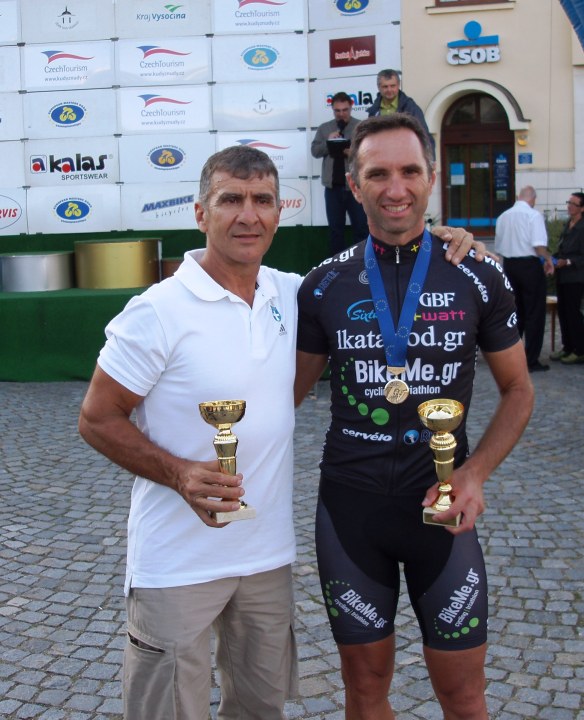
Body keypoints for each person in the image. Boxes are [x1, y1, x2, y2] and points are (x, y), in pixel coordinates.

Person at [78, 143, 485, 720]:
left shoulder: (293, 293)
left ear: (278, 213)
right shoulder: (157, 310)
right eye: (231, 200)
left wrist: (443, 237)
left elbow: (379, 262)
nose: (248, 215)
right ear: (201, 213)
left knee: (260, 709)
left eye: (263, 200)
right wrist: (180, 473)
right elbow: (96, 417)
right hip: (177, 563)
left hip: (264, 559)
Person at [294, 114, 534, 720]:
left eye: (409, 171)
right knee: (364, 692)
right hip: (351, 511)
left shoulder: (479, 273)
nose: (395, 188)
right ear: (355, 185)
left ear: (431, 177)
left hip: (443, 513)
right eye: (378, 174)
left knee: (464, 696)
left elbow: (518, 390)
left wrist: (474, 474)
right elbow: (282, 397)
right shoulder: (322, 285)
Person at [494, 185, 555, 372]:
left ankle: (512, 357)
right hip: (529, 266)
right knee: (534, 313)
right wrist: (548, 259)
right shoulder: (533, 215)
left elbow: (499, 246)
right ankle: (531, 359)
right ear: (533, 199)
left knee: (514, 313)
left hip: (510, 266)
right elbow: (538, 245)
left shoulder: (503, 216)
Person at [311, 91, 369, 255]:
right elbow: (315, 151)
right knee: (335, 231)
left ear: (351, 107)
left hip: (355, 187)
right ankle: (337, 266)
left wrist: (353, 153)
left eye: (345, 110)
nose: (341, 114)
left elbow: (370, 153)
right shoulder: (325, 128)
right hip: (332, 188)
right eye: (337, 110)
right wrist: (329, 142)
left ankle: (363, 263)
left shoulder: (360, 127)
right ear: (332, 109)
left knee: (361, 228)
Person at [367, 69, 435, 156]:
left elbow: (424, 137)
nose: (389, 90)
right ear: (378, 87)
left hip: (405, 157)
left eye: (392, 86)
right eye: (385, 86)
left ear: (398, 85)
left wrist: (430, 160)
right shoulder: (373, 111)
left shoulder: (410, 108)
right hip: (382, 157)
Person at [550, 191, 584, 364]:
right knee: (562, 311)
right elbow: (561, 248)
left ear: (582, 208)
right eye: (568, 202)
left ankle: (579, 349)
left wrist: (568, 262)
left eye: (574, 204)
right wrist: (552, 259)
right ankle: (567, 346)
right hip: (562, 275)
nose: (569, 206)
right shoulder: (568, 224)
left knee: (572, 312)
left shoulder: (582, 228)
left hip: (576, 277)